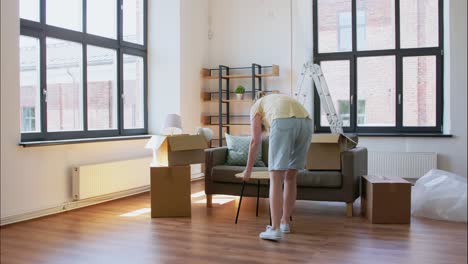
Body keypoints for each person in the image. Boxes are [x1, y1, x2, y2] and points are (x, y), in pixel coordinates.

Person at [243, 92, 312, 241]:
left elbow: (255, 141)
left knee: (275, 177)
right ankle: (284, 222)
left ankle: (274, 229)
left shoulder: (256, 105)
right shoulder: (278, 99)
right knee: (290, 177)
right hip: (306, 122)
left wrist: (248, 170)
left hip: (283, 121)